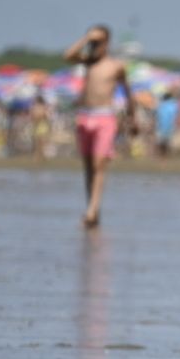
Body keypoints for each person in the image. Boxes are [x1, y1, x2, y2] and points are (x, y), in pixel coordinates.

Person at [64, 23, 133, 227]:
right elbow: (68, 55)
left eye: (99, 41)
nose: (96, 45)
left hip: (105, 117)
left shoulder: (116, 66)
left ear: (108, 42)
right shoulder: (87, 62)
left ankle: (92, 210)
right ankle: (93, 209)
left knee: (99, 164)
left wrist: (133, 118)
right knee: (88, 167)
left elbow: (128, 93)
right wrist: (86, 39)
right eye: (93, 42)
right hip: (84, 116)